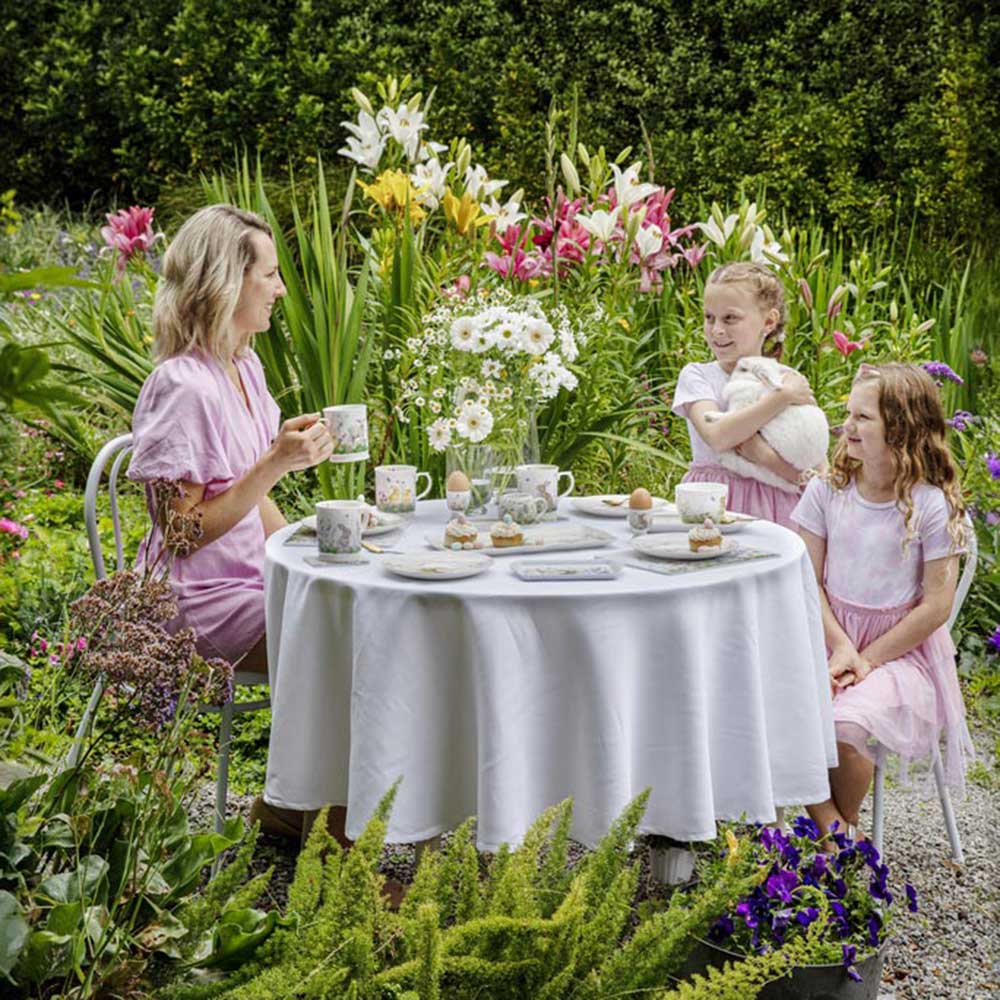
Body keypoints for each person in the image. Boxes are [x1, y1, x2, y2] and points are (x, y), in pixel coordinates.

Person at [127, 204, 334, 838]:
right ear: (225, 281)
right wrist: (272, 464)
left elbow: (254, 502)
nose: (279, 289)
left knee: (355, 616)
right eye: (268, 275)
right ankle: (327, 833)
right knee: (338, 645)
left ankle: (291, 810)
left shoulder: (244, 367)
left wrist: (318, 552)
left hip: (248, 583)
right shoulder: (184, 387)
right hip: (196, 600)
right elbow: (181, 535)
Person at [792, 363, 973, 839]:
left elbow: (936, 607)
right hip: (829, 639)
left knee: (842, 729)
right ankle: (835, 836)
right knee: (775, 709)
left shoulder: (931, 505)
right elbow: (807, 580)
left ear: (903, 428)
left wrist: (867, 658)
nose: (846, 427)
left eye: (863, 418)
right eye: (848, 414)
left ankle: (830, 834)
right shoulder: (827, 490)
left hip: (900, 656)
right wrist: (841, 647)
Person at [671, 261, 820, 527]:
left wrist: (763, 457)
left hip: (779, 511)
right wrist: (781, 398)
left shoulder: (789, 380)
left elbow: (817, 469)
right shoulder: (698, 376)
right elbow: (718, 435)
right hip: (713, 508)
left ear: (769, 321)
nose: (716, 330)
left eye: (730, 318)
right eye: (709, 317)